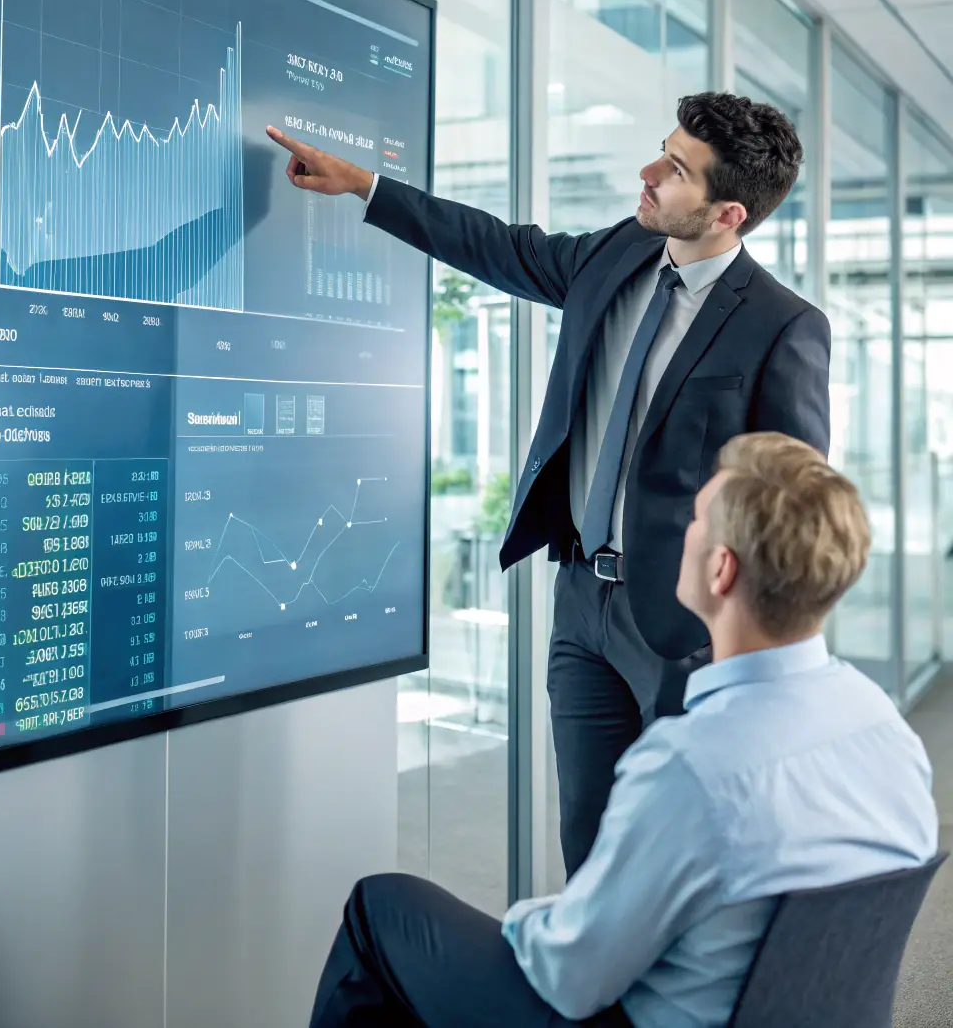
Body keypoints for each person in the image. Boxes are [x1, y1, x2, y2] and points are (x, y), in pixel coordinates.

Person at [267, 92, 831, 877]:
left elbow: (793, 503)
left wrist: (744, 644)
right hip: (581, 606)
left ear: (728, 212)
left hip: (687, 629)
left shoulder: (781, 324)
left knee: (686, 852)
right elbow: (499, 245)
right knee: (590, 846)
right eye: (660, 148)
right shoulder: (615, 256)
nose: (648, 172)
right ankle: (592, 998)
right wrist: (363, 185)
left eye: (674, 168)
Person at [307, 433, 938, 1028]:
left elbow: (571, 976)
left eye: (695, 519)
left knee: (380, 908)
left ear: (721, 570)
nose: (677, 534)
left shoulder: (693, 767)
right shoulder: (887, 731)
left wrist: (536, 918)